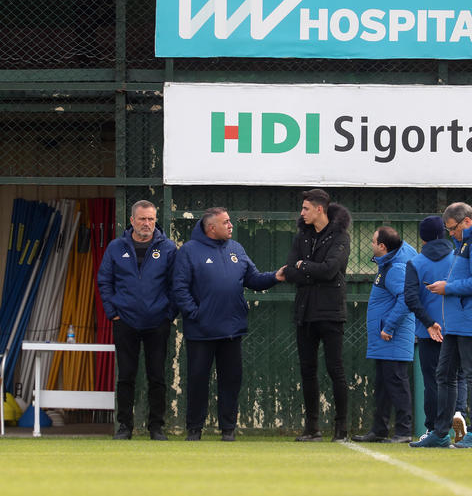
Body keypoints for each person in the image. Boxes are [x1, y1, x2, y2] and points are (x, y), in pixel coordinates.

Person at [173, 207, 285, 442]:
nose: (231, 225)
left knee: (231, 380)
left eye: (229, 221)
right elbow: (180, 288)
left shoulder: (236, 248)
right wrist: (196, 314)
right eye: (225, 222)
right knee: (197, 380)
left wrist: (275, 277)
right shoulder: (189, 251)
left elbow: (253, 279)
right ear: (211, 227)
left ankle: (228, 428)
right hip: (201, 330)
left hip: (231, 329)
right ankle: (194, 429)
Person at [410, 203, 472, 449]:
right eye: (448, 230)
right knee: (444, 375)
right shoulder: (466, 242)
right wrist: (447, 285)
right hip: (455, 320)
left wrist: (448, 287)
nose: (450, 234)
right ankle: (440, 433)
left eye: (453, 228)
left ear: (466, 221)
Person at [98, 200, 177, 441]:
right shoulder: (115, 247)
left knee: (157, 377)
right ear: (132, 220)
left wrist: (168, 314)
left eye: (151, 219)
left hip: (157, 322)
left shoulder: (168, 248)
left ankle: (156, 427)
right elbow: (104, 281)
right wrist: (113, 313)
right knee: (126, 376)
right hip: (125, 321)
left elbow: (177, 283)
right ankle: (124, 427)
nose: (147, 223)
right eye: (142, 219)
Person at [284, 189, 351, 443]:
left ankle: (341, 428)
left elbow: (331, 270)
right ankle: (312, 428)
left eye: (306, 208)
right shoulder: (301, 236)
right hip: (305, 312)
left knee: (335, 369)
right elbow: (290, 272)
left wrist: (305, 266)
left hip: (331, 312)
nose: (302, 213)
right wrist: (309, 270)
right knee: (307, 370)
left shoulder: (340, 236)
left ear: (319, 209)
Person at [404, 216, 468, 442]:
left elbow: (411, 298)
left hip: (428, 331)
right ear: (444, 232)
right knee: (458, 376)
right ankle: (458, 412)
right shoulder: (459, 257)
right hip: (456, 327)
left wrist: (429, 323)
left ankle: (433, 429)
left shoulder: (415, 263)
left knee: (432, 381)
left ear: (422, 238)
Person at [352, 226, 417, 444]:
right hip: (384, 340)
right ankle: (379, 430)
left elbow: (406, 299)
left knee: (397, 385)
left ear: (382, 246)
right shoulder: (387, 265)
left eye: (373, 241)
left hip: (392, 338)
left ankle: (404, 431)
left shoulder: (395, 268)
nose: (371, 244)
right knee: (382, 387)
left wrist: (389, 327)